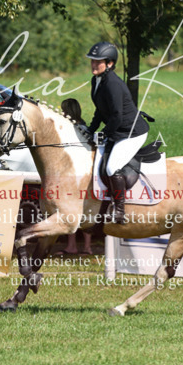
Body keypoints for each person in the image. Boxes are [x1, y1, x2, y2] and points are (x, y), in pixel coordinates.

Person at [85, 41, 149, 223]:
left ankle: (120, 210)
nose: (94, 64)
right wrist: (90, 129)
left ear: (110, 64)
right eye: (92, 61)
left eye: (98, 61)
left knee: (113, 167)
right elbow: (100, 110)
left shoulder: (112, 83)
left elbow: (116, 116)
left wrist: (103, 133)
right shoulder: (96, 80)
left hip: (132, 132)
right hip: (118, 129)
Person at [60, 99, 93, 254]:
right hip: (85, 172)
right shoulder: (85, 126)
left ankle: (72, 246)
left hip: (74, 173)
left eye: (63, 110)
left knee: (71, 210)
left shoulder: (71, 128)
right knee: (85, 209)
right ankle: (86, 247)